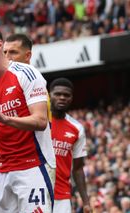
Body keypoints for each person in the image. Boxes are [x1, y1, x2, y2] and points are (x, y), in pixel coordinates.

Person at [0, 24, 56, 213]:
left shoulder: (26, 73)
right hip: (4, 168)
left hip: (34, 165)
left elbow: (40, 121)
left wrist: (4, 119)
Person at [49, 78, 91, 213]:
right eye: (58, 94)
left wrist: (86, 202)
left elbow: (78, 169)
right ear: (49, 95)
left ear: (71, 98)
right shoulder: (37, 121)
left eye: (66, 95)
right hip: (36, 191)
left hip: (61, 196)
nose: (62, 98)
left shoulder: (77, 128)